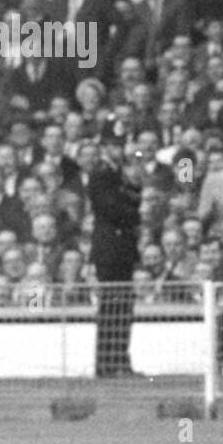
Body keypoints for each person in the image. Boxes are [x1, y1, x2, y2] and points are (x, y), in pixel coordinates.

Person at [89, 131, 145, 378]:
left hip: (122, 248)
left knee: (122, 307)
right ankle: (108, 362)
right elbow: (110, 208)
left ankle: (118, 359)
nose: (117, 150)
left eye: (119, 146)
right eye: (112, 145)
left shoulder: (117, 174)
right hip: (110, 248)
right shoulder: (102, 174)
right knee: (112, 307)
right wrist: (133, 206)